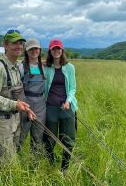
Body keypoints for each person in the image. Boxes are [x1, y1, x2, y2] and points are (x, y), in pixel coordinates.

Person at [0, 29, 36, 158]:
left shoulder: (16, 67)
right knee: (7, 164)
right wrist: (15, 105)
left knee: (12, 157)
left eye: (20, 43)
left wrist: (26, 109)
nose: (19, 46)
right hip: (2, 122)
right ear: (5, 45)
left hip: (15, 120)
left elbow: (17, 95)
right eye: (14, 43)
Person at [43, 39, 77, 171]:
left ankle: (64, 168)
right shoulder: (46, 67)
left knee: (68, 139)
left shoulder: (69, 67)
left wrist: (68, 101)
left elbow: (73, 88)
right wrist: (42, 62)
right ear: (50, 51)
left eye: (58, 49)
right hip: (50, 107)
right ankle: (51, 165)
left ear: (62, 51)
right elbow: (30, 64)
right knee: (49, 140)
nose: (56, 51)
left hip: (66, 107)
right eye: (53, 49)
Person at [18, 38, 46, 154]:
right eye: (31, 49)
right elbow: (18, 90)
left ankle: (35, 164)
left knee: (38, 137)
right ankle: (14, 162)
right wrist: (25, 107)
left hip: (40, 106)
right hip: (25, 104)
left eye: (36, 48)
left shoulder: (43, 67)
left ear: (39, 50)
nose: (34, 51)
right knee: (20, 136)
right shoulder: (21, 67)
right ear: (26, 51)